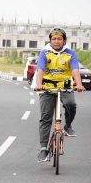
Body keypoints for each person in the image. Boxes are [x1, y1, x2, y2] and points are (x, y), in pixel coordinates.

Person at [35, 27, 85, 162]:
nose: (56, 41)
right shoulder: (44, 53)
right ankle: (43, 149)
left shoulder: (70, 53)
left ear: (64, 41)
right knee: (46, 117)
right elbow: (40, 69)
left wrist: (79, 84)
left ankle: (68, 125)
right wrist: (38, 84)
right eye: (54, 39)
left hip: (65, 86)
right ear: (50, 40)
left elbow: (75, 70)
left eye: (59, 39)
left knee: (71, 104)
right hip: (47, 87)